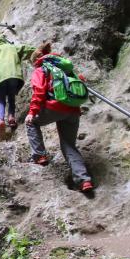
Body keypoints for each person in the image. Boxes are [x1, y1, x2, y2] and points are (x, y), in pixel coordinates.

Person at [25, 47, 94, 192]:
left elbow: (39, 91)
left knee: (32, 123)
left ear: (36, 61)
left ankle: (39, 156)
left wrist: (32, 112)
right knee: (69, 144)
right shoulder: (66, 68)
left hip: (54, 108)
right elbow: (79, 83)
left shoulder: (41, 70)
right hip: (73, 110)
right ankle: (84, 180)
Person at [0, 35, 44, 140]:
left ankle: (1, 121)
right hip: (14, 75)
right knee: (11, 98)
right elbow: (28, 49)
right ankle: (11, 118)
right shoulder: (13, 47)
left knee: (1, 101)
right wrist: (39, 52)